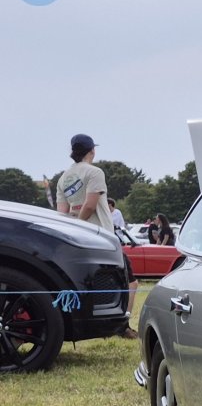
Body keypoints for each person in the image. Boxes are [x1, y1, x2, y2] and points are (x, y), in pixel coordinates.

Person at [57, 133, 138, 335]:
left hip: (75, 239)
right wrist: (82, 225)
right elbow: (91, 205)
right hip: (101, 236)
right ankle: (122, 326)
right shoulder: (95, 172)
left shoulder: (63, 178)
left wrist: (74, 228)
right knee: (130, 282)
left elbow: (62, 213)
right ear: (92, 150)